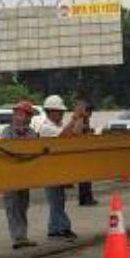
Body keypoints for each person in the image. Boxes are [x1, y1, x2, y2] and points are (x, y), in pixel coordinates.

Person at [37, 95, 78, 241]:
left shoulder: (57, 126)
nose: (61, 114)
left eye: (62, 112)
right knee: (55, 201)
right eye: (59, 111)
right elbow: (63, 137)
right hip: (50, 170)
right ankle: (62, 228)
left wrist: (80, 119)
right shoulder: (46, 128)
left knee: (58, 200)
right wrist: (74, 119)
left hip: (57, 169)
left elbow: (74, 135)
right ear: (50, 111)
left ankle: (54, 229)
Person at [2, 101, 39, 249]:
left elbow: (34, 150)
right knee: (12, 207)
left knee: (23, 206)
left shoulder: (31, 133)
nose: (26, 117)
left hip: (25, 176)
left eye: (28, 115)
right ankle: (17, 238)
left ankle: (23, 236)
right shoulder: (7, 132)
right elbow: (7, 150)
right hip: (9, 176)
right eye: (23, 114)